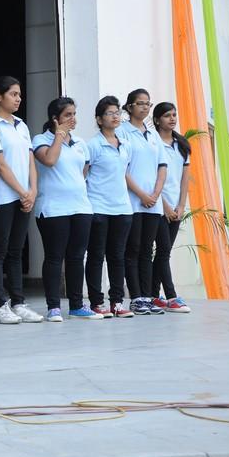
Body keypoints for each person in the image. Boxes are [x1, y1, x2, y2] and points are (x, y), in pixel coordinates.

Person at [33, 97, 101, 322]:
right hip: (53, 208)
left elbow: (84, 171)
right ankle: (53, 306)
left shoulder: (80, 143)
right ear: (55, 118)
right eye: (67, 115)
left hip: (80, 206)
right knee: (54, 257)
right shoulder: (41, 140)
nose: (73, 119)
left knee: (76, 257)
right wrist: (59, 135)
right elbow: (50, 160)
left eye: (74, 114)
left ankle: (76, 305)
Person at [0, 76, 42, 324]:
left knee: (16, 251)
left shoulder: (21, 125)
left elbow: (30, 161)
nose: (18, 99)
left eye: (19, 94)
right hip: (4, 197)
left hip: (23, 197)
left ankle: (18, 302)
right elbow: (0, 164)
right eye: (13, 94)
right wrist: (21, 191)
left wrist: (32, 190)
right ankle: (0, 303)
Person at [117, 89, 167, 315]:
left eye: (148, 103)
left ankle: (147, 296)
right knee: (133, 248)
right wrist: (142, 195)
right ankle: (136, 297)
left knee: (147, 250)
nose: (145, 107)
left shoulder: (153, 135)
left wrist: (155, 194)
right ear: (129, 107)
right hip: (132, 202)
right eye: (140, 103)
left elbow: (162, 167)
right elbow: (123, 168)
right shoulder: (122, 132)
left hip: (153, 203)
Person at [84, 96, 135, 318]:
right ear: (99, 119)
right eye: (109, 113)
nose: (115, 117)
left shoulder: (125, 145)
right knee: (96, 256)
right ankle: (97, 302)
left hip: (122, 208)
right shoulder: (93, 145)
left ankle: (117, 302)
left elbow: (124, 173)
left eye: (117, 113)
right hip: (98, 207)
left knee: (117, 256)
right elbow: (83, 175)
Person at [150, 102, 192, 313]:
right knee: (164, 251)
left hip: (176, 207)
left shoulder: (181, 144)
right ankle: (172, 296)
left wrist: (181, 205)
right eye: (167, 115)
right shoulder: (152, 143)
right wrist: (164, 205)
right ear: (157, 120)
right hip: (157, 207)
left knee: (163, 252)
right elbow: (151, 176)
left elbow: (185, 178)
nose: (172, 118)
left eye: (174, 114)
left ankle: (152, 295)